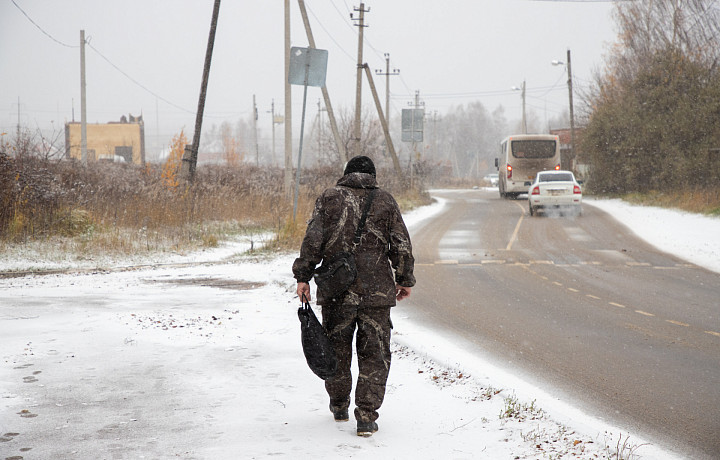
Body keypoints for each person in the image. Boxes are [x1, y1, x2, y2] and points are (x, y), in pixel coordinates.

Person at [292, 155, 415, 437]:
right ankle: (367, 417)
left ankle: (338, 403)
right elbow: (401, 244)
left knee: (336, 349)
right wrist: (404, 278)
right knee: (374, 355)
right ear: (372, 175)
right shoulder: (385, 200)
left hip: (337, 291)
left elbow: (313, 240)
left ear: (347, 173)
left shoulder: (329, 198)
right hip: (377, 293)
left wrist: (303, 276)